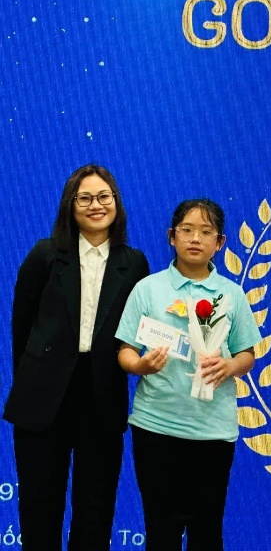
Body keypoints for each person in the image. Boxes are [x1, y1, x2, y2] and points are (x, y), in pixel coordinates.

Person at [4, 164, 149, 551]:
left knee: (95, 514)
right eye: (84, 198)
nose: (95, 205)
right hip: (43, 397)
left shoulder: (134, 263)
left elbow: (137, 332)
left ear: (116, 202)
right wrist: (32, 383)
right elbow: (22, 327)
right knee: (39, 510)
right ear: (70, 205)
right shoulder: (45, 255)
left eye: (104, 197)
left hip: (101, 395)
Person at [115, 199, 262, 551]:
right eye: (187, 230)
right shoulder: (148, 289)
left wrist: (230, 366)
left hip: (213, 429)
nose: (195, 238)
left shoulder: (232, 294)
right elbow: (124, 350)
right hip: (156, 426)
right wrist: (140, 366)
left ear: (220, 242)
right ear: (172, 236)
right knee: (160, 530)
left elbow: (247, 354)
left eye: (206, 232)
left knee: (207, 531)